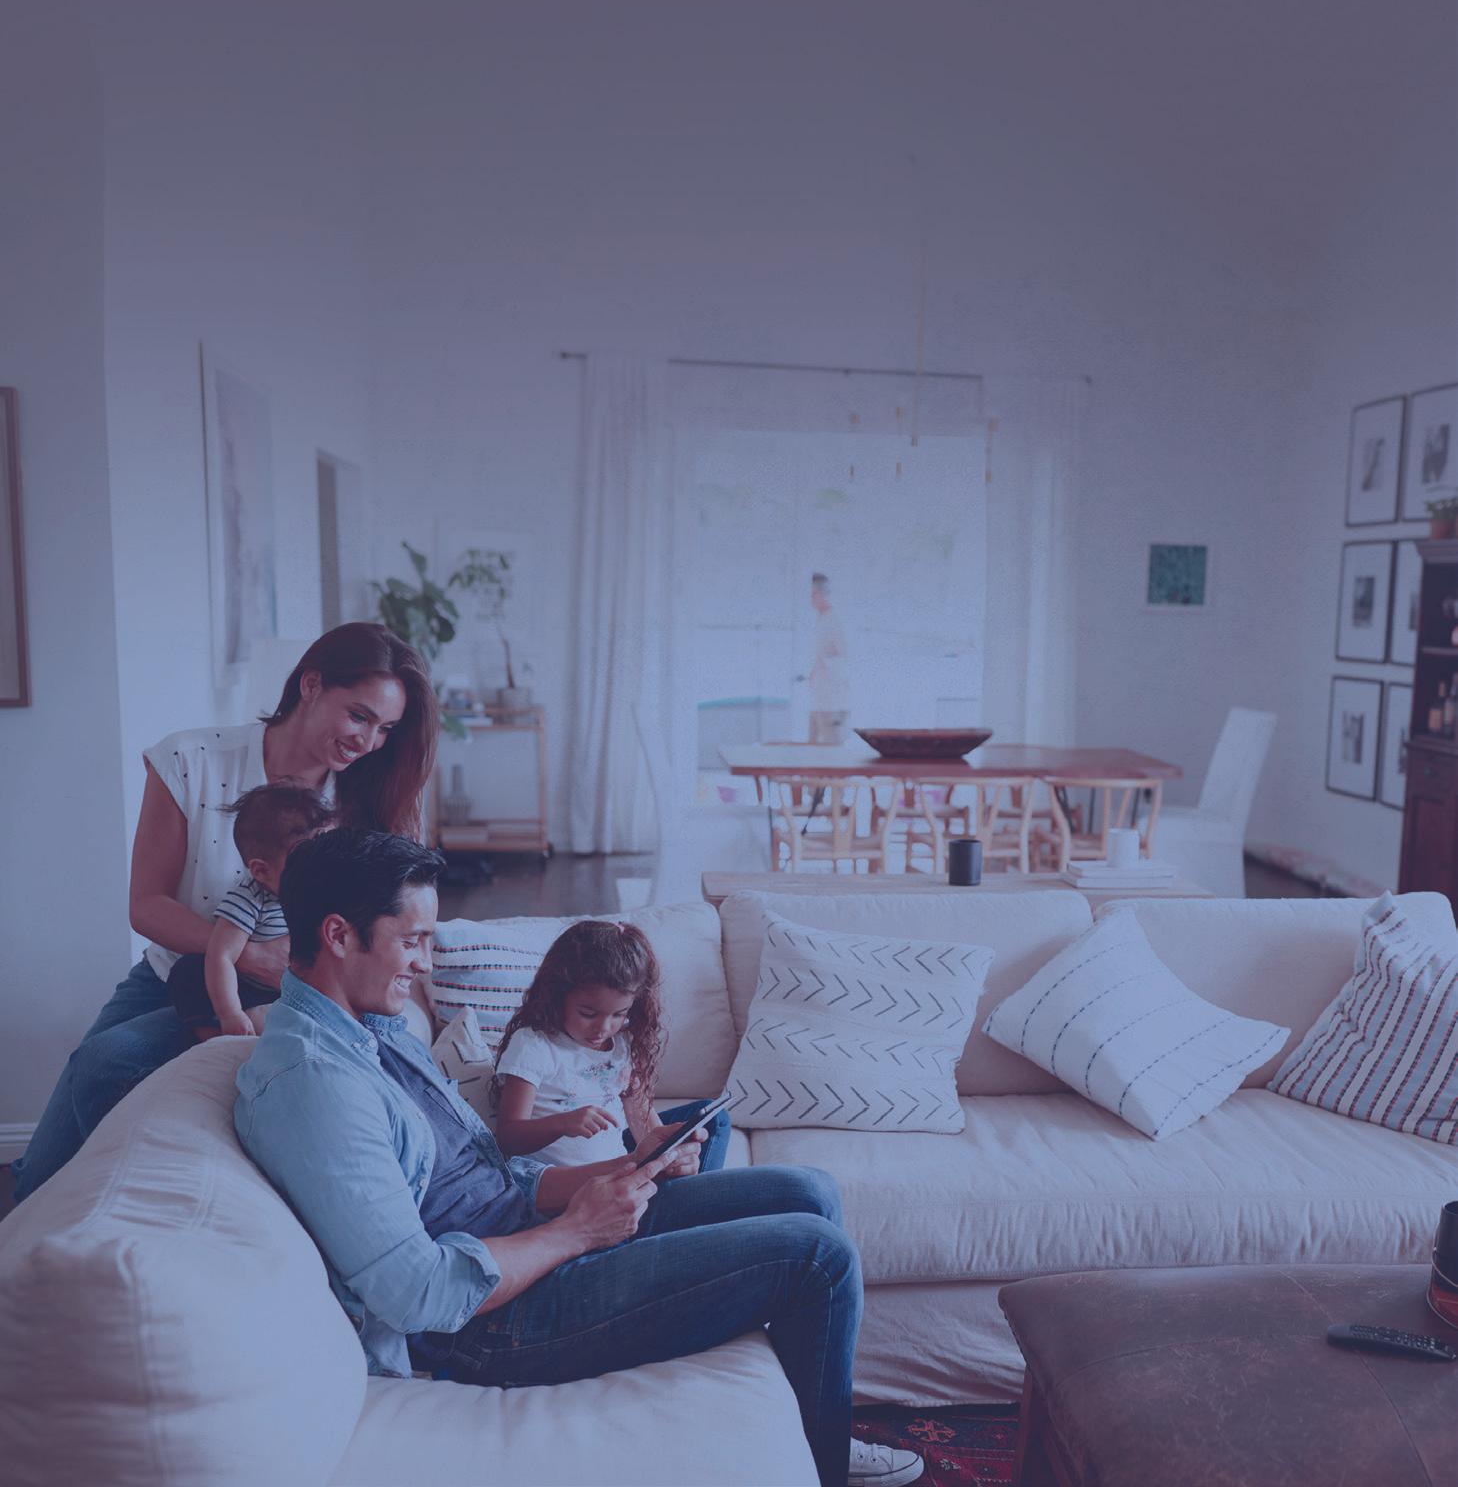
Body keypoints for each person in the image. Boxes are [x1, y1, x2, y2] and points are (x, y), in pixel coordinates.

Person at [235, 828, 924, 1487]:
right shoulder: (316, 1085)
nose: (425, 963)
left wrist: (622, 1170)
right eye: (411, 941)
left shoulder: (374, 1029)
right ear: (338, 935)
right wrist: (578, 1232)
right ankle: (826, 1461)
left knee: (809, 1191)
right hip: (491, 1319)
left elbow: (491, 1177)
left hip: (531, 1236)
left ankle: (809, 1423)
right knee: (817, 1257)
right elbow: (418, 1295)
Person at [10, 622, 438, 1202]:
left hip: (292, 994)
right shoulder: (191, 760)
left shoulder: (366, 799)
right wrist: (248, 954)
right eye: (359, 716)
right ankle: (57, 1220)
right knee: (48, 1157)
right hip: (175, 971)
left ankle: (116, 1208)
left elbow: (390, 926)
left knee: (109, 1062)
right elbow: (147, 905)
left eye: (385, 728)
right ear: (311, 685)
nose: (368, 742)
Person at [492, 919, 731, 1172]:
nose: (603, 1028)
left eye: (619, 1014)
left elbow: (644, 1125)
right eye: (588, 1014)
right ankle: (694, 1191)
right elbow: (508, 1137)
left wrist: (669, 1158)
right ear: (557, 994)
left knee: (713, 1120)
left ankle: (691, 1188)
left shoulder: (622, 1043)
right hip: (577, 1183)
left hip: (624, 1172)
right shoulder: (534, 1045)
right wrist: (561, 1124)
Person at [166, 783, 335, 1039]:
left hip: (298, 991)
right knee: (190, 971)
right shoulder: (250, 899)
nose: (321, 870)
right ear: (261, 871)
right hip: (250, 991)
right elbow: (222, 956)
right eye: (305, 861)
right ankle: (214, 1036)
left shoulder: (324, 893)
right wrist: (230, 1012)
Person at [808, 572, 850, 746]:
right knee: (814, 745)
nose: (810, 599)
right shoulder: (821, 620)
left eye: (812, 594)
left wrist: (824, 666)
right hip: (819, 697)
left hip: (832, 700)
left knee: (831, 747)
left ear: (820, 594)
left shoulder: (835, 621)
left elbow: (845, 656)